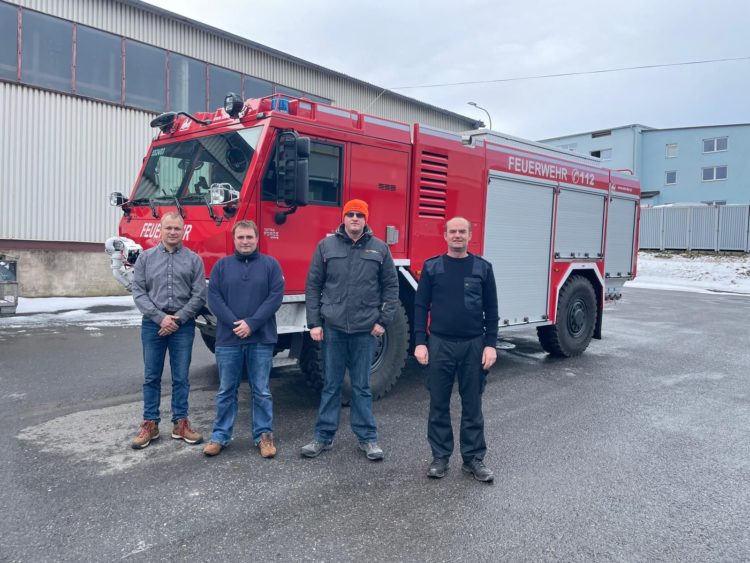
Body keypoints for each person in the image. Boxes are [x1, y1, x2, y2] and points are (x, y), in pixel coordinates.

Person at [301, 199, 398, 461]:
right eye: (350, 214)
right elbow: (313, 286)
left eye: (360, 215)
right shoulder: (326, 246)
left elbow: (391, 288)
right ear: (343, 218)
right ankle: (323, 437)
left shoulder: (380, 249)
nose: (355, 219)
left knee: (362, 386)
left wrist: (383, 321)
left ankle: (367, 439)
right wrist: (315, 323)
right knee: (331, 385)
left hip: (365, 330)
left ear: (366, 219)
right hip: (332, 329)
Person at [414, 216, 499, 482]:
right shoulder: (432, 268)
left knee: (472, 404)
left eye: (463, 231)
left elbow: (492, 310)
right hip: (440, 344)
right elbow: (420, 306)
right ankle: (440, 457)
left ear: (470, 235)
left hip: (473, 345)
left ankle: (473, 459)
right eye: (453, 231)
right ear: (445, 236)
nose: (458, 235)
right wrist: (419, 341)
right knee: (438, 403)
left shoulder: (482, 269)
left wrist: (491, 345)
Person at [202, 220, 284, 458]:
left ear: (257, 239)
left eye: (249, 237)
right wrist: (235, 323)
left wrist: (252, 323)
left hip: (261, 338)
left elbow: (275, 297)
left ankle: (264, 437)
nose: (245, 242)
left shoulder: (270, 265)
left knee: (262, 390)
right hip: (228, 339)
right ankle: (219, 436)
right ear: (234, 240)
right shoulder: (221, 266)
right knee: (226, 390)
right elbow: (214, 297)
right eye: (241, 238)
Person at [131, 211, 207, 449]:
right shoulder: (145, 259)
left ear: (183, 230)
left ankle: (180, 423)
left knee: (181, 377)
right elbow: (139, 292)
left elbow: (199, 295)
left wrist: (179, 319)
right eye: (169, 228)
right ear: (160, 230)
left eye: (177, 228)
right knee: (151, 376)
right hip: (152, 324)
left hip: (183, 326)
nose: (173, 232)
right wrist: (161, 318)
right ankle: (150, 424)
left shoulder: (194, 260)